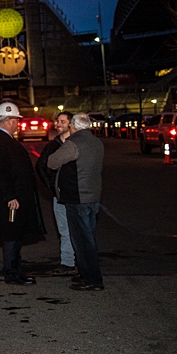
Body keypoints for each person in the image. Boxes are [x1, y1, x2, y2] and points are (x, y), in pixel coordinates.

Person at [0, 101, 45, 285]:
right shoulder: (0, 141)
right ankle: (12, 273)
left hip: (15, 197)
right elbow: (1, 172)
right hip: (11, 200)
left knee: (16, 235)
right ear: (8, 120)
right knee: (11, 236)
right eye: (16, 120)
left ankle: (16, 271)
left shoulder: (4, 140)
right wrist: (10, 196)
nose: (18, 124)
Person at [44, 113, 105, 291]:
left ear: (74, 126)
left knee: (81, 239)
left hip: (77, 197)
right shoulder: (97, 142)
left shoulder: (74, 143)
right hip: (92, 196)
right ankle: (87, 274)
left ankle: (92, 279)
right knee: (90, 236)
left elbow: (52, 162)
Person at [33, 112, 78, 277]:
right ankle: (68, 262)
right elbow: (40, 165)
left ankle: (82, 261)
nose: (58, 124)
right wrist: (51, 185)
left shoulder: (77, 143)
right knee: (64, 229)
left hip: (77, 194)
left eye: (62, 121)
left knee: (80, 228)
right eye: (57, 121)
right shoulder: (53, 145)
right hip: (59, 196)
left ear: (71, 124)